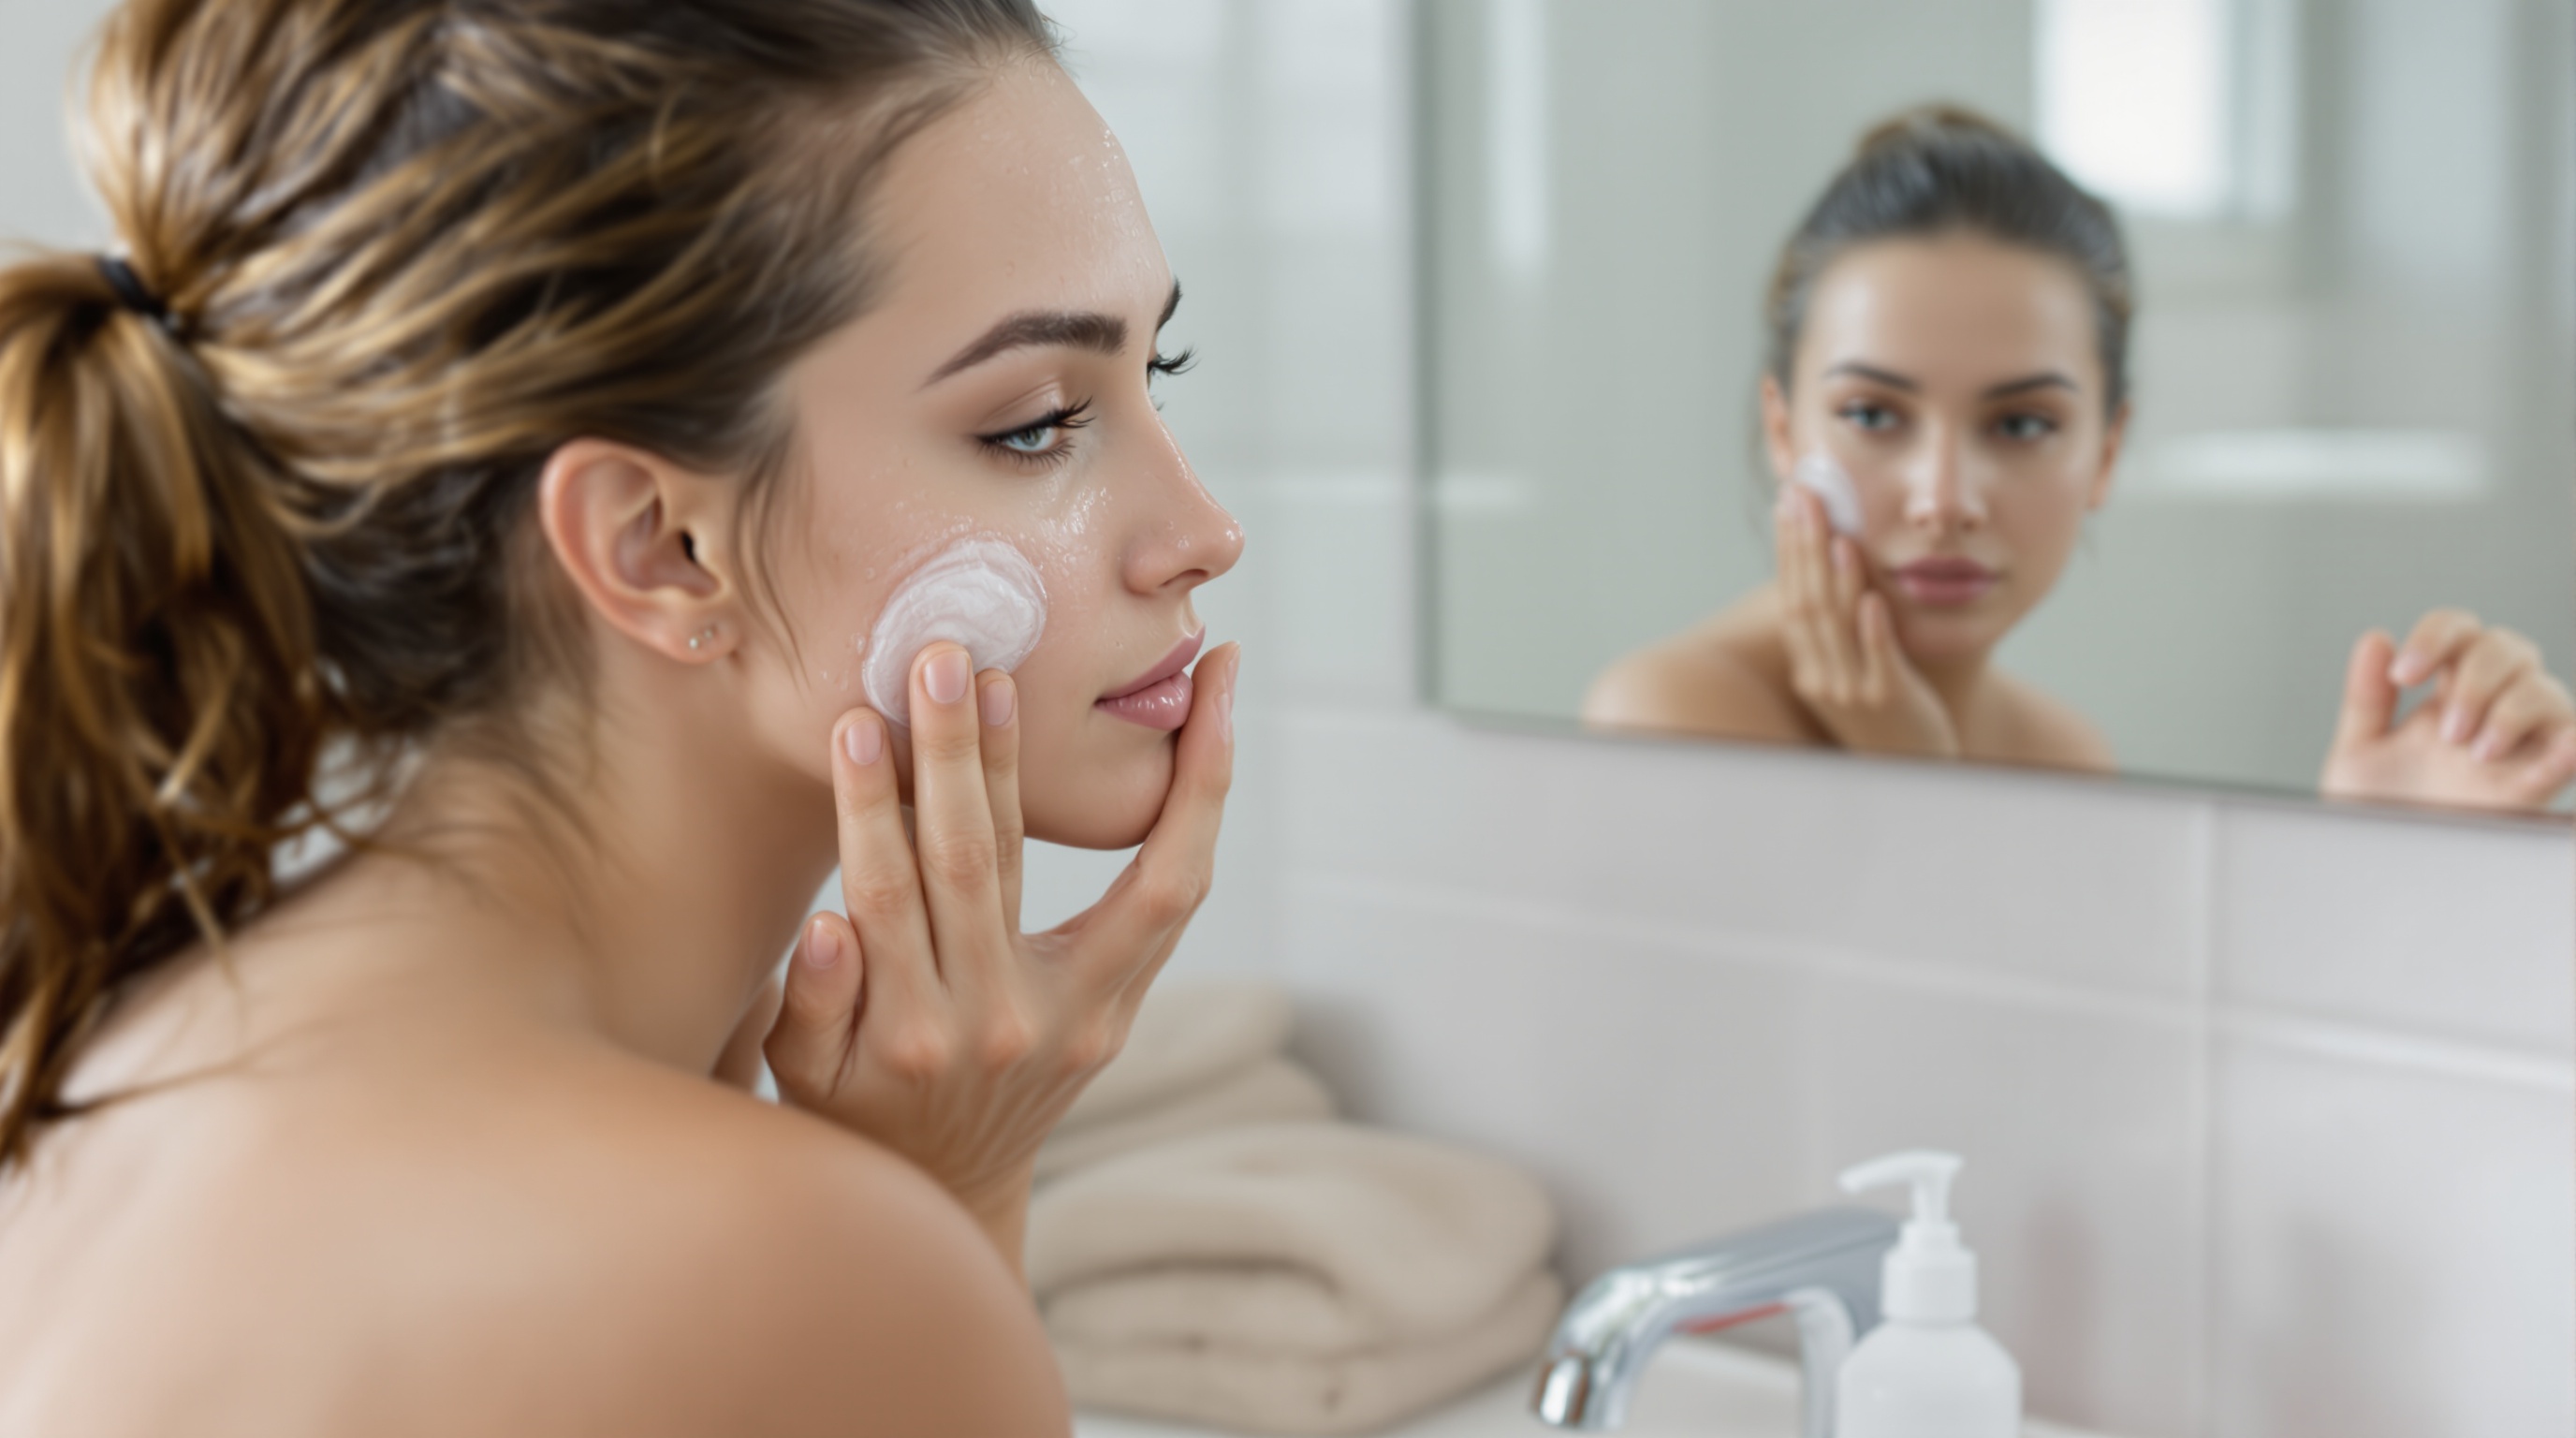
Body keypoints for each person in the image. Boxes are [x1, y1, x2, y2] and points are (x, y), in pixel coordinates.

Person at [0, 1, 1244, 1431]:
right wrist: (945, 1202)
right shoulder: (792, 1285)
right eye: (1032, 423)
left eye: (1155, 371)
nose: (1201, 532)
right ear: (661, 547)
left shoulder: (107, 1048)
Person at [1583, 107, 2576, 813]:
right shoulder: (1673, 722)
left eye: (2018, 427)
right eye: (1873, 415)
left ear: (2105, 453)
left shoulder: (2060, 758)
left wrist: (2391, 850)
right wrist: (1916, 792)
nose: (1943, 500)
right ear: (1782, 431)